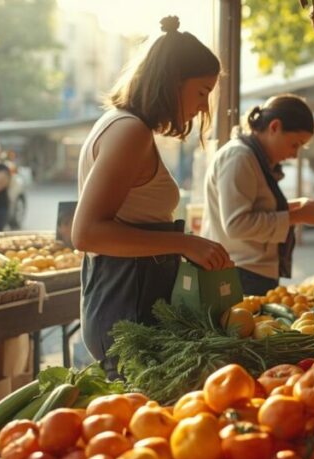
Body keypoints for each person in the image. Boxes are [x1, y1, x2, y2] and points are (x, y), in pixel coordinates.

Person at [71, 16, 230, 377]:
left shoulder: (122, 124)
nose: (203, 107)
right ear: (173, 82)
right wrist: (184, 243)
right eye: (202, 92)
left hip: (123, 301)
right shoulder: (130, 131)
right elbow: (87, 233)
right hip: (126, 305)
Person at [201, 95, 314, 296]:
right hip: (240, 274)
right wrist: (298, 215)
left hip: (250, 272)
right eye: (294, 144)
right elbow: (236, 224)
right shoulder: (239, 157)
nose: (294, 155)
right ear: (274, 127)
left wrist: (295, 206)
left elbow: (256, 208)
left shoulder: (253, 158)